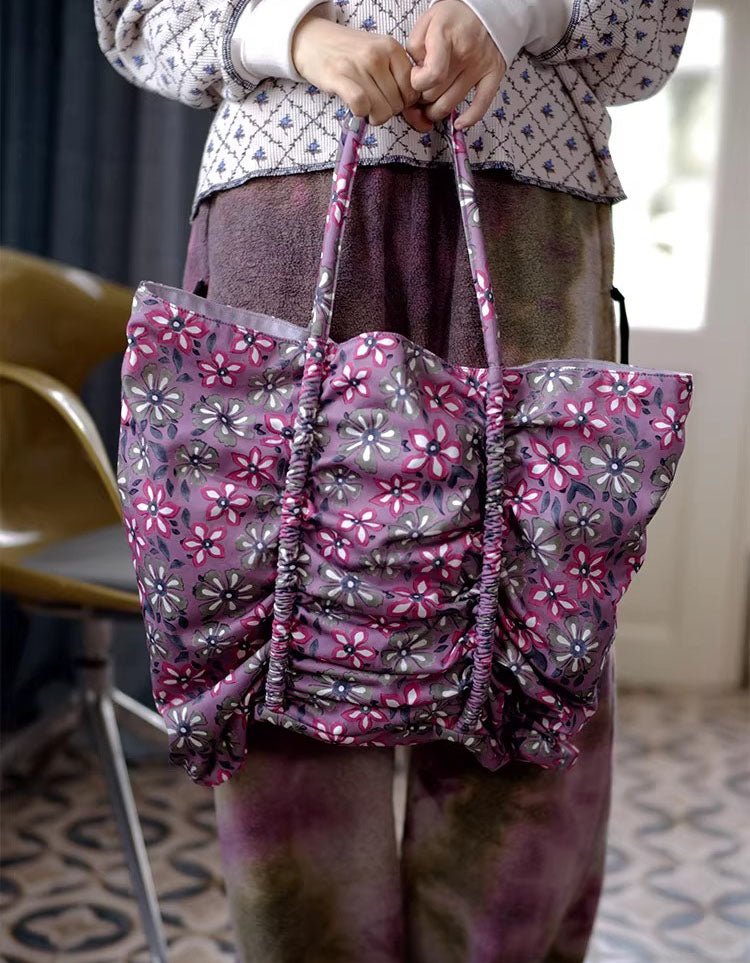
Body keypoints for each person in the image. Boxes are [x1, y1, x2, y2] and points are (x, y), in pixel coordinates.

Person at [95, 2, 692, 960]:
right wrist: (295, 34)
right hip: (282, 205)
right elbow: (136, 15)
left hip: (526, 205)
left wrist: (511, 13)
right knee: (284, 666)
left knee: (528, 653)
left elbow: (651, 24)